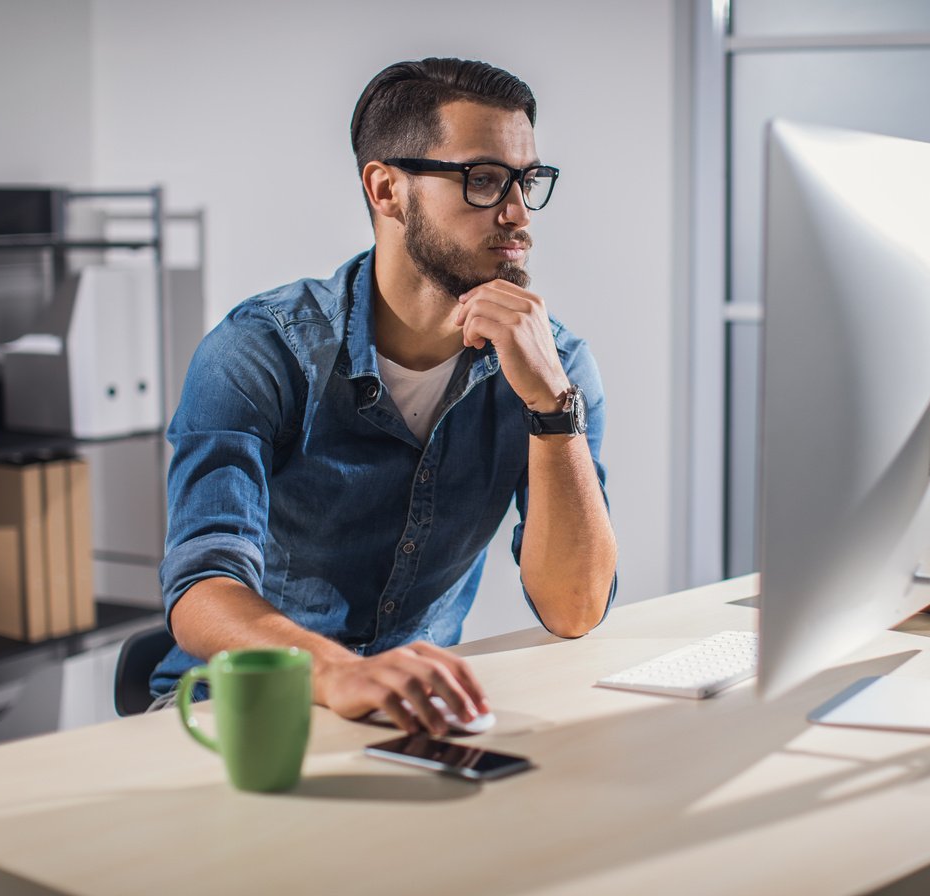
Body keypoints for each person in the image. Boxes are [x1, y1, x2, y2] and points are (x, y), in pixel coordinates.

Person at [149, 58, 618, 736]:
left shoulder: (556, 366)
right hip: (233, 713)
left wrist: (552, 407)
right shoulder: (259, 351)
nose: (518, 214)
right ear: (386, 189)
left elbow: (575, 608)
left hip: (410, 715)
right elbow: (201, 592)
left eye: (527, 181)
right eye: (483, 181)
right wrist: (340, 672)